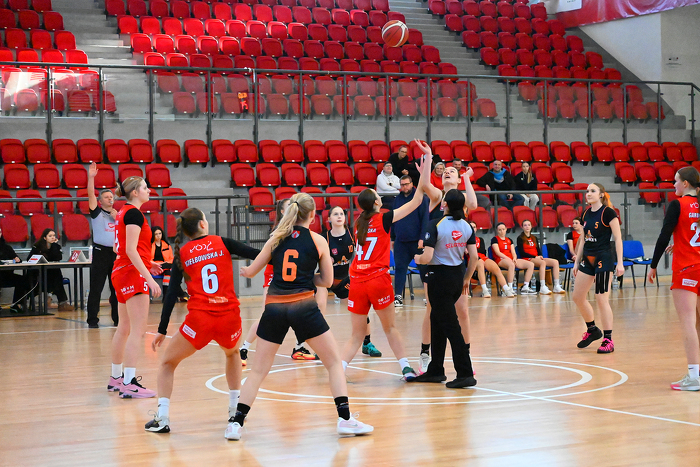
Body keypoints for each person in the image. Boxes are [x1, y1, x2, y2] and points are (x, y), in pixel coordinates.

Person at [235, 193, 373, 440]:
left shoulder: (276, 237)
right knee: (333, 363)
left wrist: (245, 271)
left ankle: (236, 423)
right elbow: (328, 281)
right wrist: (308, 277)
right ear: (312, 215)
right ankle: (345, 419)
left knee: (257, 372)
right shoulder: (318, 240)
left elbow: (252, 270)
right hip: (304, 307)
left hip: (275, 307)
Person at [145, 208, 261, 434]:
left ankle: (162, 418)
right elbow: (257, 253)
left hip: (200, 320)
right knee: (232, 354)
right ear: (202, 224)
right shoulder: (222, 242)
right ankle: (234, 411)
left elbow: (171, 293)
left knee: (167, 363)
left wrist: (162, 329)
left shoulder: (182, 253)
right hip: (229, 317)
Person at [341, 148, 433, 381]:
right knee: (390, 328)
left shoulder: (357, 223)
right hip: (376, 279)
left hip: (357, 280)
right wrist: (424, 172)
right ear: (375, 202)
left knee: (356, 335)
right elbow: (418, 200)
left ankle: (338, 369)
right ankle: (406, 368)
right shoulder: (383, 217)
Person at [419, 140, 478, 372]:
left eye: (452, 171)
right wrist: (428, 158)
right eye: (445, 171)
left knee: (462, 311)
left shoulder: (460, 200)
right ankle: (425, 354)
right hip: (434, 262)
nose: (447, 172)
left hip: (455, 263)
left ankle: (466, 355)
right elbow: (425, 183)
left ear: (458, 178)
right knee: (431, 310)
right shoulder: (438, 197)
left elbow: (473, 203)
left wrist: (467, 178)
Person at [412, 189, 478, 388]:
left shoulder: (436, 224)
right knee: (437, 321)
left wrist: (417, 258)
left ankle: (465, 373)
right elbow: (474, 257)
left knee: (451, 327)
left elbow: (427, 257)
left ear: (444, 204)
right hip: (457, 277)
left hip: (439, 278)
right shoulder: (467, 226)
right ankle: (436, 369)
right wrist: (466, 279)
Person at [239, 199, 319, 363]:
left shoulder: (300, 233)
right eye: (289, 206)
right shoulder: (280, 233)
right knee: (266, 317)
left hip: (292, 282)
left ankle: (299, 347)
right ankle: (244, 347)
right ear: (283, 212)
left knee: (301, 314)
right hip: (276, 278)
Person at [108, 176, 163, 398]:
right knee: (137, 330)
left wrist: (148, 262)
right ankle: (129, 382)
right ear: (134, 192)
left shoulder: (123, 212)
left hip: (121, 271)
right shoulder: (134, 214)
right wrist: (148, 277)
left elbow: (118, 248)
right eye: (145, 187)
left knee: (124, 328)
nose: (149, 190)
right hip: (131, 274)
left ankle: (116, 378)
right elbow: (130, 249)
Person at [648, 167, 700, 390]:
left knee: (688, 323)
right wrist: (681, 243)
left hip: (686, 269)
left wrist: (653, 265)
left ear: (686, 183)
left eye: (676, 181)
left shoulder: (678, 204)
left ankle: (694, 377)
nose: (674, 185)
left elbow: (663, 236)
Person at [316, 206, 382, 357]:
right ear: (329, 219)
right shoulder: (323, 238)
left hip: (343, 279)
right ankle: (318, 347)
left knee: (360, 308)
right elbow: (313, 256)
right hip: (324, 278)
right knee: (319, 307)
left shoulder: (352, 234)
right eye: (335, 214)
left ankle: (367, 343)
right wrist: (324, 259)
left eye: (341, 214)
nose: (339, 216)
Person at [572, 183, 624, 354]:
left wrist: (620, 263)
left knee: (601, 298)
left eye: (592, 191)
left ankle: (608, 339)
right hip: (588, 258)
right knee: (577, 297)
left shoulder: (608, 213)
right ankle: (592, 329)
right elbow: (583, 239)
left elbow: (618, 238)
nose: (588, 193)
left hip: (603, 259)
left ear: (601, 194)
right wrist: (577, 261)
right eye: (587, 191)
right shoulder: (585, 213)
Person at [86, 162, 118, 328]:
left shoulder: (118, 215)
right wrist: (91, 178)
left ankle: (118, 319)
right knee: (96, 288)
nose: (110, 198)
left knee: (116, 289)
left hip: (115, 254)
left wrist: (118, 218)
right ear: (100, 201)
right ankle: (92, 320)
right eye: (106, 197)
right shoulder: (97, 212)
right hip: (100, 253)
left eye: (111, 197)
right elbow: (90, 194)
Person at [391, 174, 429, 307]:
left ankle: (428, 296)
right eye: (402, 185)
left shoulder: (421, 198)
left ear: (412, 184)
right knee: (400, 268)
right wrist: (393, 238)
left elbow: (425, 219)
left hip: (417, 241)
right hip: (401, 241)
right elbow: (393, 218)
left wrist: (422, 238)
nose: (404, 187)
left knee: (424, 268)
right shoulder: (397, 199)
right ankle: (398, 296)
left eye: (406, 184)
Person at [28, 228, 74, 311]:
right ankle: (61, 302)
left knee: (56, 273)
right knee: (56, 276)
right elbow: (29, 258)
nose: (53, 237)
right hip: (39, 273)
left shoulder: (56, 246)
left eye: (54, 235)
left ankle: (50, 296)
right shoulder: (37, 246)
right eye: (50, 236)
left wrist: (55, 246)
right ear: (45, 238)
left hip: (51, 274)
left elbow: (58, 257)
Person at [516, 219, 566, 294]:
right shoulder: (520, 238)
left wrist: (540, 256)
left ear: (531, 226)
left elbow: (538, 249)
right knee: (542, 263)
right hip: (527, 258)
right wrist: (535, 257)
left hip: (536, 258)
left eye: (529, 225)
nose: (527, 227)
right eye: (525, 225)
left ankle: (556, 286)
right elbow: (522, 252)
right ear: (522, 227)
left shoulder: (534, 238)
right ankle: (543, 286)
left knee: (555, 262)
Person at [468, 221, 515, 298]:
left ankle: (506, 289)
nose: (473, 229)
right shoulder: (465, 240)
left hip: (482, 257)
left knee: (496, 268)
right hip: (472, 258)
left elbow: (482, 251)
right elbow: (467, 252)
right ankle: (485, 290)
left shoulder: (480, 239)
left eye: (474, 227)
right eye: (471, 227)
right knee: (480, 265)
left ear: (476, 229)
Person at [491, 222, 536, 294]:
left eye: (503, 229)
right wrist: (507, 258)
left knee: (531, 264)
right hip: (500, 259)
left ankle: (525, 286)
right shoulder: (495, 239)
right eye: (500, 230)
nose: (502, 231)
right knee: (511, 265)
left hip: (511, 259)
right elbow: (497, 252)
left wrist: (514, 258)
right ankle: (510, 288)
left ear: (506, 229)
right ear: (497, 231)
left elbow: (513, 252)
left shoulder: (509, 240)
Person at [0, 226, 29, 313]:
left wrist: (17, 259)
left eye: (0, 232)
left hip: (7, 275)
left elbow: (17, 259)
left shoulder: (7, 247)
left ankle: (17, 304)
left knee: (22, 280)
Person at [150, 226, 174, 295]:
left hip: (166, 265)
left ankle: (165, 295)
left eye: (160, 233)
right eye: (156, 234)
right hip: (155, 266)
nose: (158, 236)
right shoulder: (150, 245)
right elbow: (148, 259)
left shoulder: (167, 245)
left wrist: (165, 263)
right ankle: (169, 294)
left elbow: (171, 259)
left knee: (168, 271)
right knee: (169, 272)